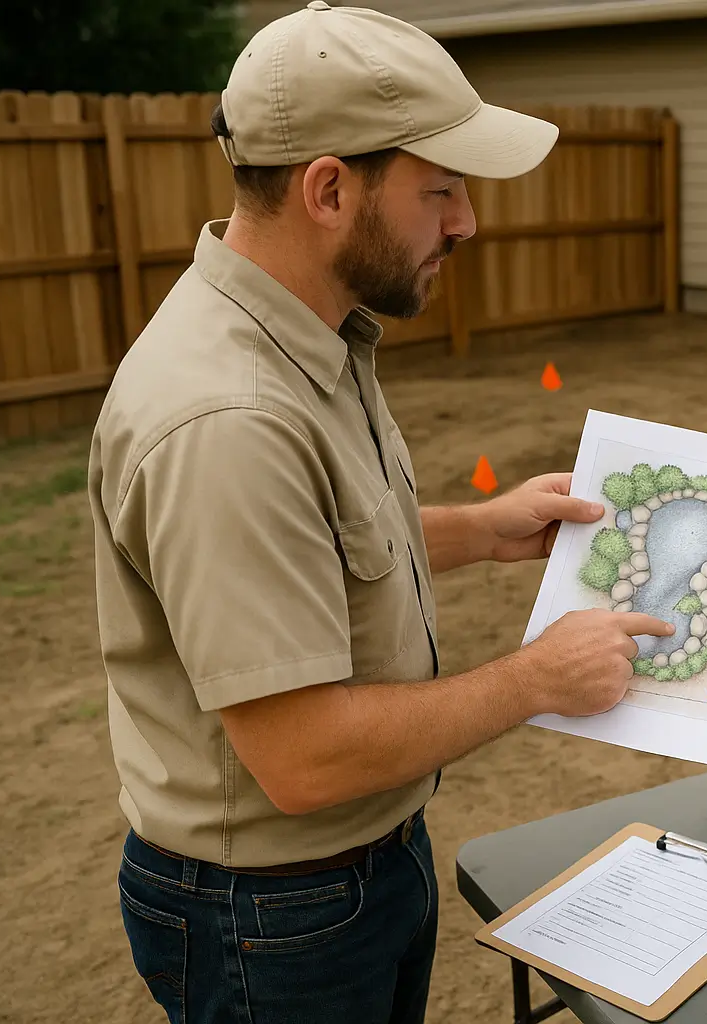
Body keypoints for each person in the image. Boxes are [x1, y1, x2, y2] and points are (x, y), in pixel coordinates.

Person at [86, 4, 674, 1021]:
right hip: (270, 912)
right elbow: (305, 755)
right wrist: (536, 677)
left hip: (349, 871)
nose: (467, 222)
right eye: (440, 190)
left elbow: (318, 545)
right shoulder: (229, 417)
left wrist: (480, 528)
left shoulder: (309, 335)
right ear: (327, 189)